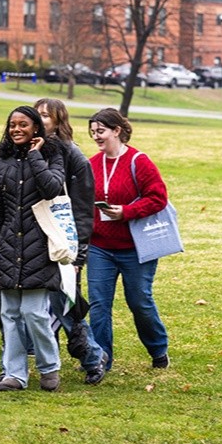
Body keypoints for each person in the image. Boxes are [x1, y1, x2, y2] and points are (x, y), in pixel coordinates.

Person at [0, 106, 65, 391]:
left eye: (23, 124)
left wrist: (35, 155)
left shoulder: (52, 156)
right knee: (10, 314)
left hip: (39, 246)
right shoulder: (1, 163)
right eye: (12, 125)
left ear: (36, 128)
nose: (16, 129)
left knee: (34, 313)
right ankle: (15, 373)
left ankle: (49, 366)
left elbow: (52, 188)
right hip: (8, 247)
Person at [86, 107, 170, 370]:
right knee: (99, 305)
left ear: (117, 131)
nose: (96, 137)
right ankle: (100, 359)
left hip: (135, 247)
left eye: (101, 131)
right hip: (100, 246)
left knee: (139, 301)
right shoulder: (92, 164)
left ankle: (158, 349)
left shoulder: (139, 161)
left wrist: (126, 212)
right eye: (92, 132)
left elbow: (158, 198)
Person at [34, 97, 107, 385]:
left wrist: (79, 254)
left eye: (45, 115)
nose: (40, 119)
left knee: (63, 302)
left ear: (58, 121)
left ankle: (92, 356)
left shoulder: (72, 156)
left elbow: (83, 208)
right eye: (37, 114)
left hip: (63, 240)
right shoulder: (30, 150)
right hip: (33, 236)